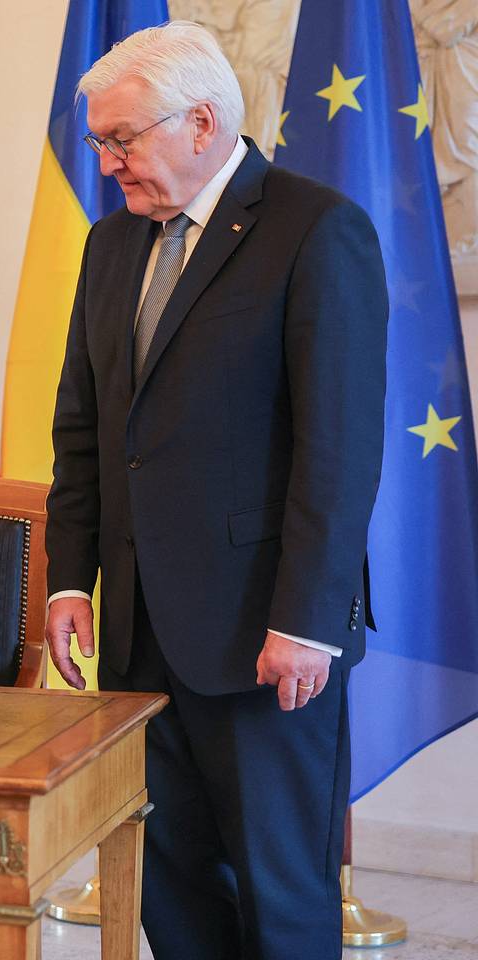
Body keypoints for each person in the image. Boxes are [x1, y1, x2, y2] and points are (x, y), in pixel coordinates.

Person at [43, 21, 387, 960]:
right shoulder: (111, 245)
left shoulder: (314, 230)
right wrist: (70, 578)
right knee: (174, 887)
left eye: (122, 139)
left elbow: (338, 450)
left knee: (280, 894)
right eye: (100, 141)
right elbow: (85, 428)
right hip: (138, 632)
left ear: (200, 122)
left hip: (262, 634)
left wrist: (307, 621)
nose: (107, 163)